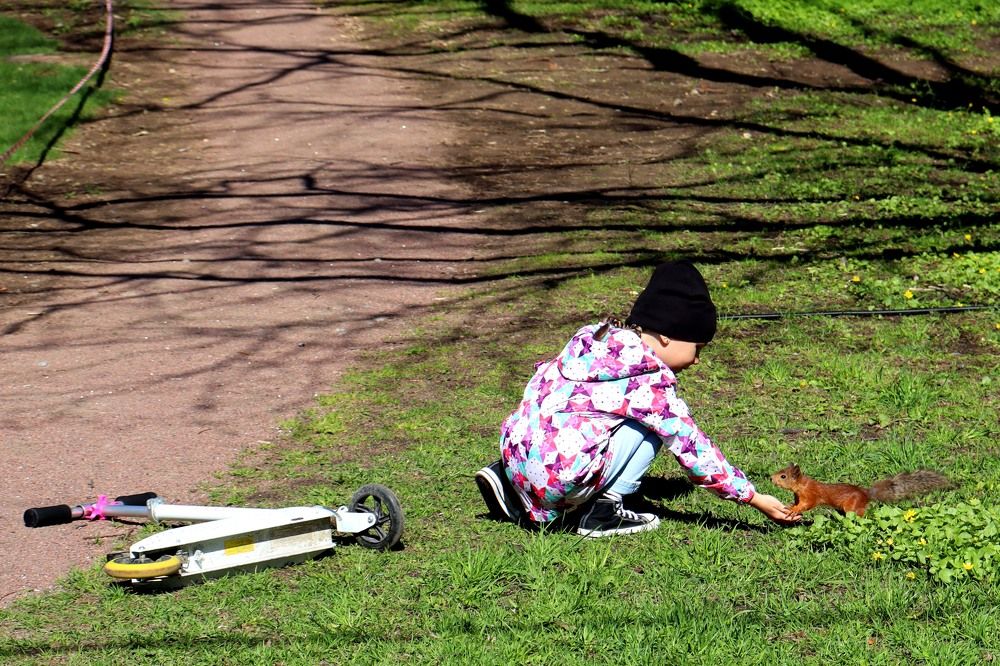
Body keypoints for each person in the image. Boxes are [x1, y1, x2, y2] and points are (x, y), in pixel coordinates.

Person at [476, 260, 799, 537]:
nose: (697, 359)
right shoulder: (650, 385)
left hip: (518, 450)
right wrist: (753, 497)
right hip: (561, 477)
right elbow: (692, 448)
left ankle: (516, 485)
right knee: (657, 428)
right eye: (697, 348)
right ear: (668, 335)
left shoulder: (593, 339)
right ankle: (601, 512)